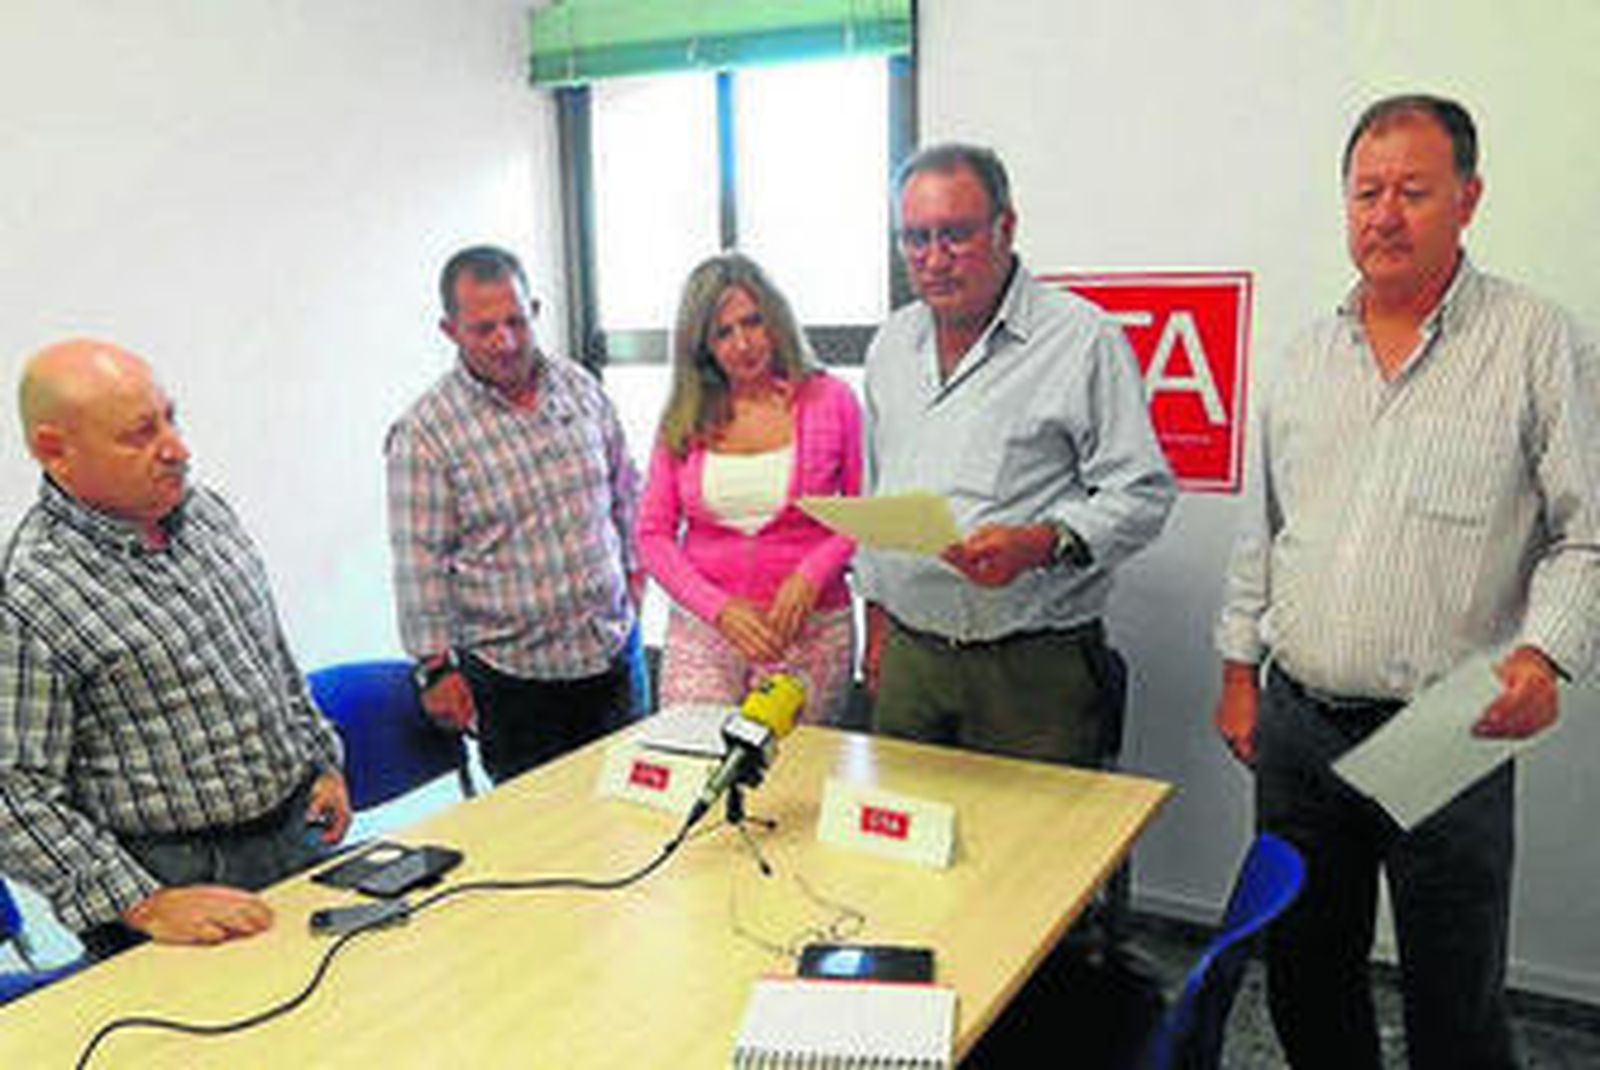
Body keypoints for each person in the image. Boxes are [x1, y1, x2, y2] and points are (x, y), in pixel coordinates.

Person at [1213, 94, 1600, 1070]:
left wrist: (1544, 653)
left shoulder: (1534, 342)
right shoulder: (1306, 355)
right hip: (1300, 724)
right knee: (1304, 971)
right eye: (1366, 192)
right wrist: (1238, 671)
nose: (1384, 214)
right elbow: (1265, 530)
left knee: (1452, 996)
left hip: (1447, 728)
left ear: (1468, 198)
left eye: (1412, 192)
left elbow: (1585, 534)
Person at [0, 340, 351, 959]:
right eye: (140, 435)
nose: (177, 449)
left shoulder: (205, 515)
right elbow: (13, 793)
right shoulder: (32, 592)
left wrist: (320, 758)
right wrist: (143, 902)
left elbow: (267, 657)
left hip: (295, 831)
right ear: (55, 451)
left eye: (170, 418)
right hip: (177, 882)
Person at [856, 142, 1175, 765]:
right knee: (902, 824)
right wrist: (878, 625)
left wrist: (1042, 542)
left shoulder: (1082, 338)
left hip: (1031, 668)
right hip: (911, 657)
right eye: (915, 239)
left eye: (955, 235)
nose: (934, 260)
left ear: (1006, 227)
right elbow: (878, 491)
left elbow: (1143, 493)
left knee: (1036, 830)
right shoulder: (891, 344)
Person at [386, 245, 645, 785]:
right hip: (516, 685)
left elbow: (625, 491)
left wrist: (636, 577)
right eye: (484, 329)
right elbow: (419, 564)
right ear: (450, 330)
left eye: (516, 321)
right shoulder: (426, 432)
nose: (504, 341)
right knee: (545, 830)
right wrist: (436, 669)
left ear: (535, 310)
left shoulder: (580, 388)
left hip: (613, 656)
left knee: (637, 814)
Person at [638, 253, 863, 724]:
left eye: (753, 322)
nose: (743, 344)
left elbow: (865, 511)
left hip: (811, 630)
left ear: (776, 319)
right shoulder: (683, 414)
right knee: (692, 756)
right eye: (723, 333)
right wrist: (718, 609)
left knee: (793, 767)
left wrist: (812, 573)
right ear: (703, 346)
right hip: (706, 631)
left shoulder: (832, 399)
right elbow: (652, 536)